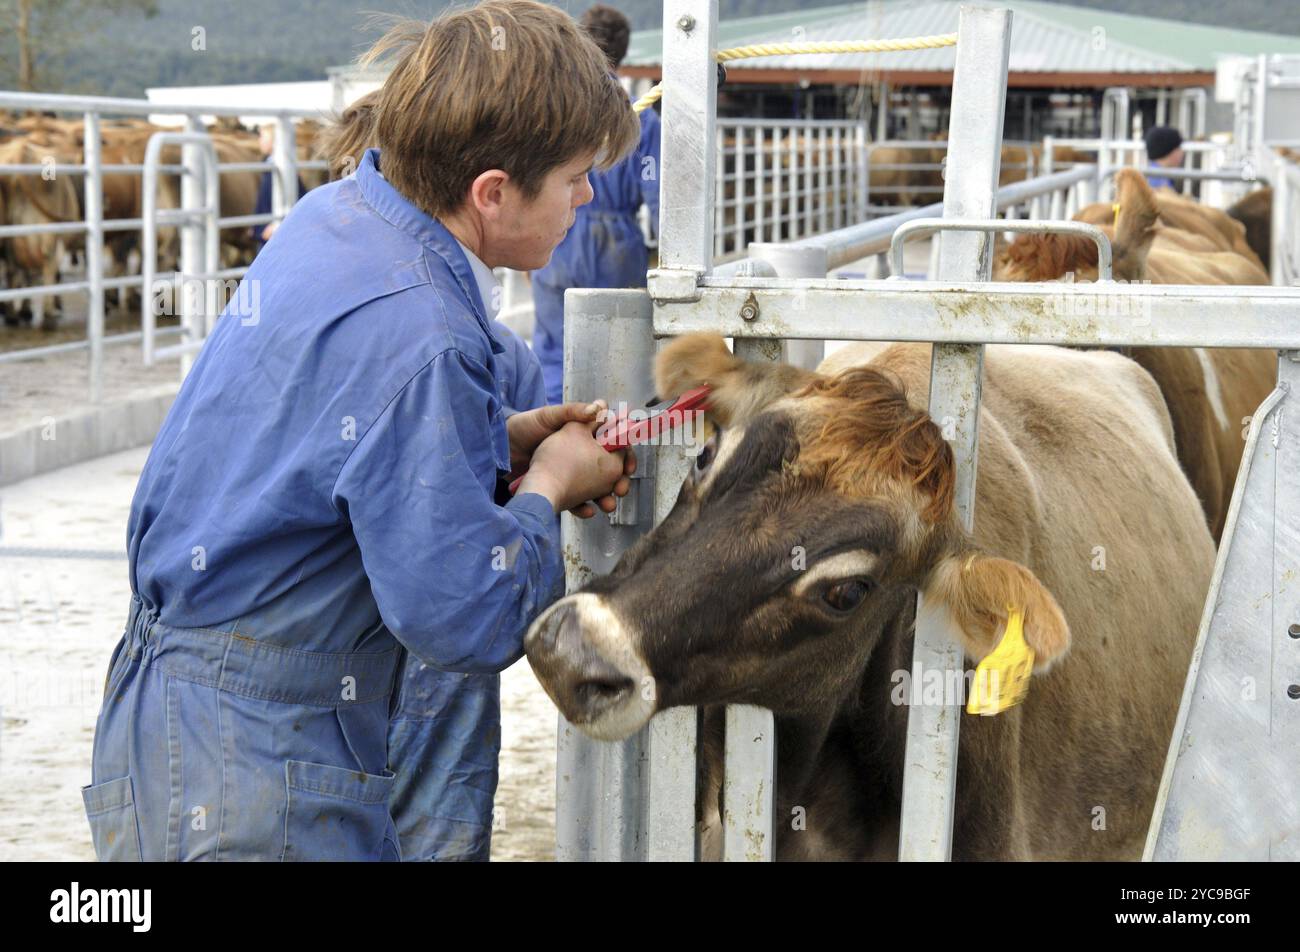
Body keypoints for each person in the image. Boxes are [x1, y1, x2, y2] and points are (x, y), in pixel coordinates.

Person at [81, 0, 640, 862]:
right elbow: (464, 617)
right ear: (492, 192)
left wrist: (498, 438)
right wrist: (548, 487)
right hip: (262, 763)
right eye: (573, 178)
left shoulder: (336, 216)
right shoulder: (428, 333)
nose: (587, 196)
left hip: (168, 710)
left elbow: (342, 444)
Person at [316, 87, 551, 861]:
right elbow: (475, 590)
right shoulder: (457, 337)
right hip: (423, 648)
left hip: (364, 656)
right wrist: (548, 486)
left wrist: (516, 450)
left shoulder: (309, 296)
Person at [531, 4, 660, 405]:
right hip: (617, 244)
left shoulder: (556, 108)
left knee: (555, 345)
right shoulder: (641, 118)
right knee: (621, 350)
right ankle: (613, 441)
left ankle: (552, 425)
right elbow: (656, 195)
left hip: (556, 232)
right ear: (623, 51)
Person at [1144, 125, 1184, 190]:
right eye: (1178, 148)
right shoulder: (1160, 183)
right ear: (1169, 151)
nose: (1182, 153)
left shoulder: (1152, 174)